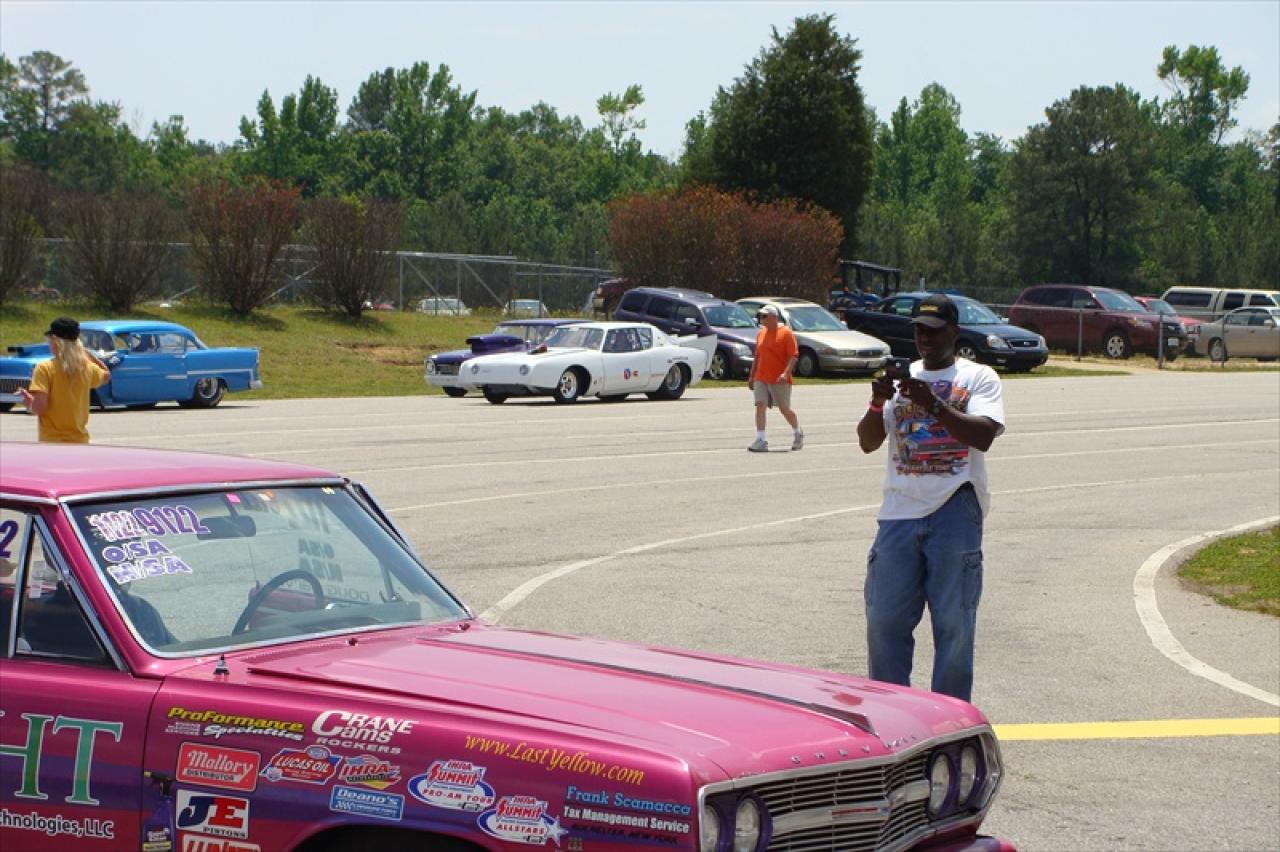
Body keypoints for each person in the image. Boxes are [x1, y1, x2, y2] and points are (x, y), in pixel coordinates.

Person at [855, 294, 1004, 701]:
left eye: (935, 331)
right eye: (920, 331)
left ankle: (948, 721)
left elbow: (984, 435)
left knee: (954, 626)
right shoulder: (904, 379)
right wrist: (877, 403)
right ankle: (892, 714)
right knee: (884, 622)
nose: (926, 338)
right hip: (899, 512)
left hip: (954, 508)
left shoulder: (978, 377)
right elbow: (867, 442)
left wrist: (933, 405)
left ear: (954, 332)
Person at [18, 317, 112, 444]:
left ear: (54, 340)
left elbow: (40, 407)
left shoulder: (44, 369)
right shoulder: (87, 368)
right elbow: (107, 375)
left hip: (52, 442)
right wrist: (88, 355)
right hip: (80, 441)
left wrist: (30, 403)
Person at [747, 305, 803, 452]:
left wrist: (786, 373)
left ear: (774, 317)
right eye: (761, 316)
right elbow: (758, 356)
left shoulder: (786, 333)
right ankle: (761, 440)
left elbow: (793, 356)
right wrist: (752, 376)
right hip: (761, 376)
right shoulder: (761, 334)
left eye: (765, 316)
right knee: (760, 405)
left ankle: (798, 432)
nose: (762, 318)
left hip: (779, 378)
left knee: (785, 409)